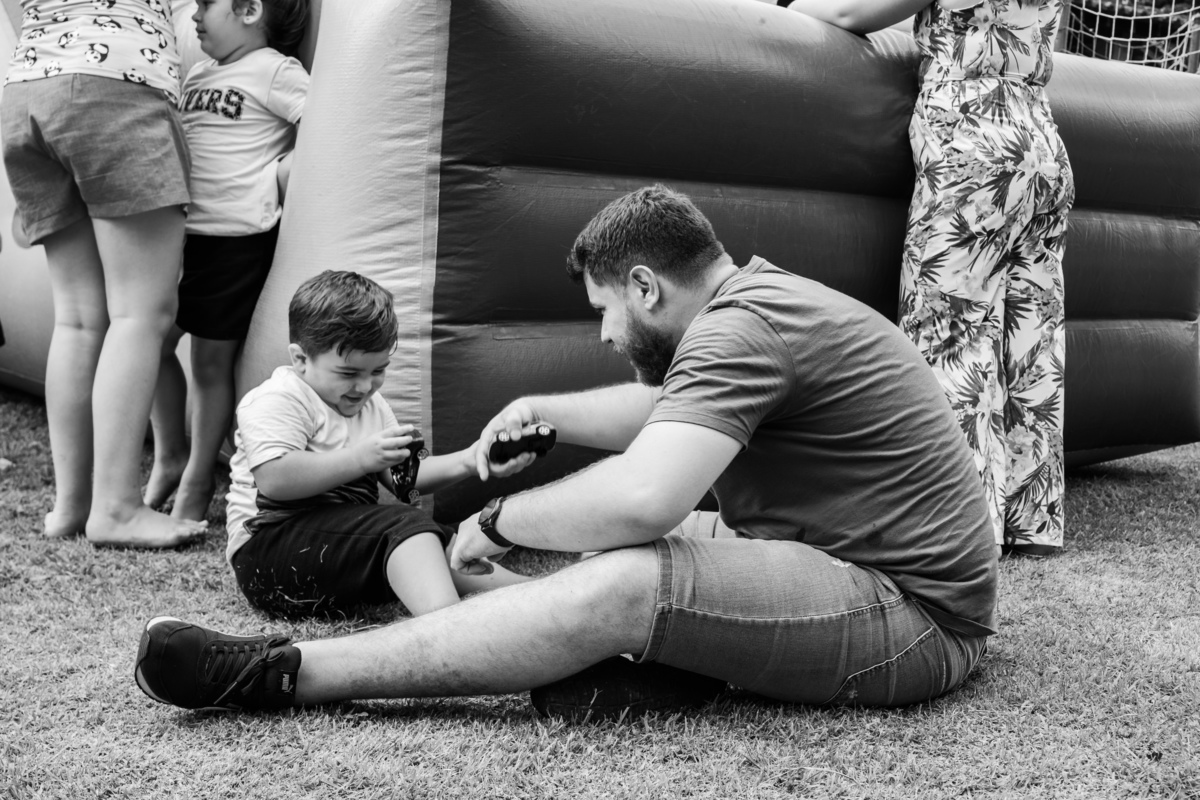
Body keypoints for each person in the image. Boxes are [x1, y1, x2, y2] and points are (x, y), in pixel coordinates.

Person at [134, 185, 997, 719]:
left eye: (605, 310)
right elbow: (662, 411)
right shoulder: (755, 305)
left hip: (911, 618)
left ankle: (284, 673)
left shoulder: (742, 331)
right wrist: (547, 410)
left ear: (646, 287)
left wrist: (502, 518)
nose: (606, 332)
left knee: (630, 568)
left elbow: (641, 499)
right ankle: (639, 673)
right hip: (852, 572)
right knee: (641, 552)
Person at [781, 0, 1074, 554]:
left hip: (972, 141)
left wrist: (794, 8)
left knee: (950, 335)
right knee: (1033, 339)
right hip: (1041, 140)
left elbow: (852, 13)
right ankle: (1034, 523)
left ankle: (960, 528)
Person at [1, 0, 207, 547]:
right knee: (140, 314)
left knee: (77, 319)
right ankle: (115, 507)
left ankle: (72, 505)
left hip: (27, 89)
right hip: (117, 83)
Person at [218, 270, 533, 618]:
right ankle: (448, 629)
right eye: (349, 374)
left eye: (378, 371)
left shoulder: (370, 405)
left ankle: (534, 593)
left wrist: (471, 460)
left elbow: (404, 478)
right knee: (405, 527)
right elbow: (275, 480)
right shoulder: (279, 399)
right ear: (301, 359)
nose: (365, 386)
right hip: (269, 554)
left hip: (341, 547)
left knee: (439, 541)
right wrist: (359, 459)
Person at [143, 0, 309, 521]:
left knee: (210, 364)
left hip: (235, 238)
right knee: (148, 345)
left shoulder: (276, 71)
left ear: (249, 10)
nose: (194, 14)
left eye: (206, 4)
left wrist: (283, 173)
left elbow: (332, 130)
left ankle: (197, 480)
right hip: (182, 233)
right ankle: (169, 455)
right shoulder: (199, 72)